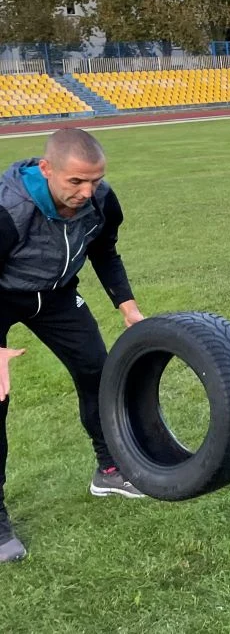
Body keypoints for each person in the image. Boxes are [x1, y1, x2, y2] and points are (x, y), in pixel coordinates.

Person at [0, 128, 149, 563]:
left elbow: (105, 251)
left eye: (95, 181)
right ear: (47, 169)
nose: (87, 192)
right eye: (76, 182)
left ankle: (109, 469)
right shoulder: (9, 210)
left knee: (98, 373)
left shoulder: (102, 201)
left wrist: (129, 308)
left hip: (57, 294)